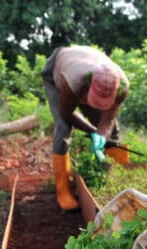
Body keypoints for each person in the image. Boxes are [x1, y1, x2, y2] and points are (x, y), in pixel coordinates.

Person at [41, 46, 130, 210]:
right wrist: (92, 132)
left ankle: (117, 177)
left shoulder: (122, 87)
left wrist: (101, 136)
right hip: (56, 71)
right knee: (63, 128)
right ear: (89, 89)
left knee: (113, 132)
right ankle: (63, 192)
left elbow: (107, 121)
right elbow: (66, 113)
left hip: (85, 65)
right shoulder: (75, 82)